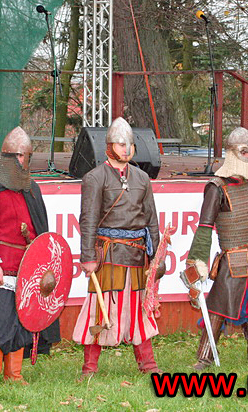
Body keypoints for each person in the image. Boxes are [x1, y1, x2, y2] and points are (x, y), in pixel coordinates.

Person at [0, 126, 60, 390]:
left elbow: (39, 230)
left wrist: (39, 260)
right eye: (19, 156)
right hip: (0, 267)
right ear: (9, 157)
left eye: (25, 156)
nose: (22, 160)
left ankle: (14, 374)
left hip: (25, 268)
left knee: (20, 322)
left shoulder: (31, 189)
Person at [72, 117, 161, 378]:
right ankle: (89, 368)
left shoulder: (142, 178)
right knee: (99, 308)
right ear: (109, 146)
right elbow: (88, 220)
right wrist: (88, 256)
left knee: (138, 308)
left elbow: (151, 220)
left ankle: (148, 365)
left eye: (129, 145)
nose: (126, 149)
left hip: (137, 254)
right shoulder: (94, 177)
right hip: (108, 254)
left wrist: (157, 258)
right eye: (121, 144)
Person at [185, 127, 248, 369]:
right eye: (245, 152)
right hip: (233, 258)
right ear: (233, 153)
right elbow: (205, 227)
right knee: (218, 306)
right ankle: (205, 357)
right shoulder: (216, 187)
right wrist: (198, 261)